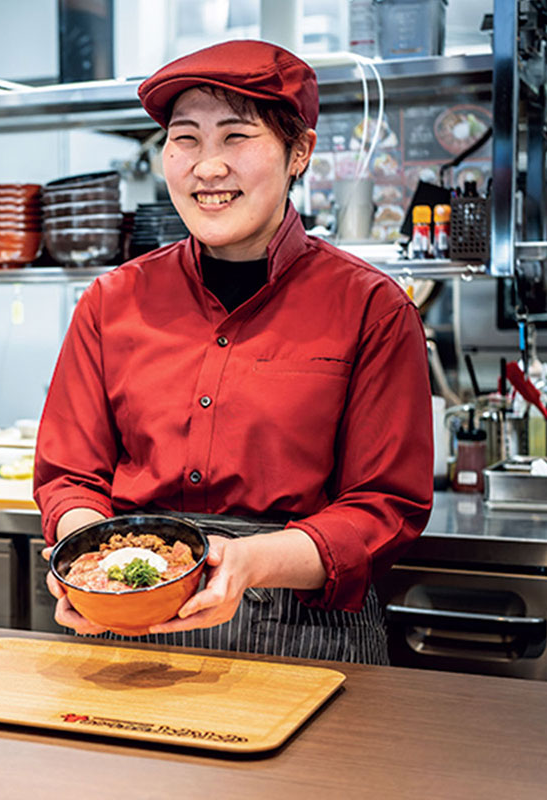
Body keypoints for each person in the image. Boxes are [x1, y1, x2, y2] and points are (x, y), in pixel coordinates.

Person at [34, 39, 433, 663]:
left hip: (301, 632)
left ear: (298, 151)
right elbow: (69, 476)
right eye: (185, 138)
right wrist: (92, 564)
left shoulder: (372, 307)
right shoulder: (112, 300)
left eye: (236, 137)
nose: (207, 167)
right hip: (124, 631)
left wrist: (249, 562)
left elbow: (384, 506)